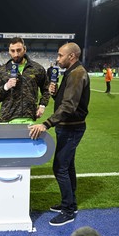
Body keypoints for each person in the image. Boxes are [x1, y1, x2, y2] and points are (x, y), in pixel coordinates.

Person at [29, 42, 90, 226]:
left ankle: (68, 210)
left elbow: (70, 106)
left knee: (60, 167)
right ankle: (71, 203)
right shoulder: (71, 72)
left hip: (72, 127)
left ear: (71, 56)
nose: (57, 59)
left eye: (60, 55)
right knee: (68, 166)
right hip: (68, 126)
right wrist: (54, 94)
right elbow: (66, 100)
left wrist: (46, 124)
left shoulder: (78, 73)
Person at [0, 37, 50, 124]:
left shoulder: (37, 68)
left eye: (19, 50)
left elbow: (46, 89)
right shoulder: (3, 70)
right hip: (7, 119)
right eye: (13, 51)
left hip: (29, 118)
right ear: (9, 51)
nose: (16, 54)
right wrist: (6, 86)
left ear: (25, 49)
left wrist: (42, 105)